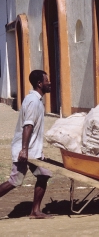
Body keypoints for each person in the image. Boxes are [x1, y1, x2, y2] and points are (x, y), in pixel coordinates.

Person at [0, 70, 53, 219]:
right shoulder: (33, 101)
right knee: (15, 181)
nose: (50, 83)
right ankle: (35, 211)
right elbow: (27, 126)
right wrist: (24, 149)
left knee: (44, 174)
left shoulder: (36, 100)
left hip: (32, 150)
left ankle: (35, 211)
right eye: (47, 80)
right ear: (39, 83)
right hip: (24, 150)